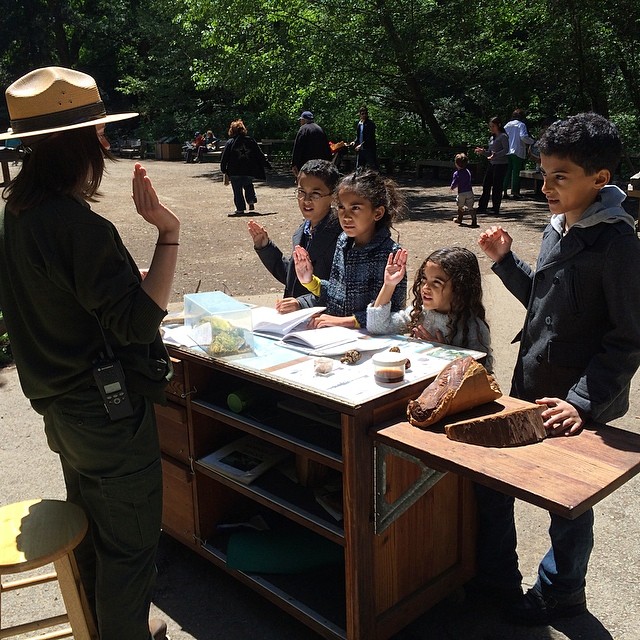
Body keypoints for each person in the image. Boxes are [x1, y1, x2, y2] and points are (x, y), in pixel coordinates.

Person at [0, 66, 180, 640]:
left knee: (92, 525)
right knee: (129, 545)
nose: (105, 141)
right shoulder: (78, 225)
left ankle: (103, 627)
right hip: (105, 413)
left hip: (58, 408)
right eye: (97, 130)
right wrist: (168, 231)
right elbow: (134, 323)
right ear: (78, 142)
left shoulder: (20, 212)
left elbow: (66, 299)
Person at [476, 112, 640, 626]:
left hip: (575, 403)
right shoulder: (558, 226)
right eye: (543, 173)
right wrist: (506, 261)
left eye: (559, 177)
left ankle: (561, 593)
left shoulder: (617, 245)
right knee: (495, 482)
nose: (544, 186)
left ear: (600, 179)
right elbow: (542, 302)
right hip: (531, 385)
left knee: (565, 507)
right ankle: (495, 579)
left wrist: (581, 402)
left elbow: (629, 338)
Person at [293, 170, 406, 328]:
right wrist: (310, 281)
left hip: (369, 342)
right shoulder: (343, 241)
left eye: (355, 208)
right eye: (341, 207)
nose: (346, 216)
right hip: (336, 336)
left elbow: (394, 314)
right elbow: (337, 293)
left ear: (378, 213)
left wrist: (346, 322)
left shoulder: (391, 254)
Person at [367, 246, 493, 371]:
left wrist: (442, 351)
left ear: (459, 289)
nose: (425, 288)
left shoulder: (473, 327)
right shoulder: (419, 313)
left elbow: (482, 373)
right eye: (424, 279)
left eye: (436, 283)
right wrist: (389, 285)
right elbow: (377, 327)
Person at [247, 159, 341, 312]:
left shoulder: (341, 235)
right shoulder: (303, 230)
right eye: (301, 192)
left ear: (333, 196)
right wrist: (265, 247)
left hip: (322, 320)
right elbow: (294, 277)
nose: (306, 200)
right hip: (295, 320)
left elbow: (341, 289)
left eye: (315, 194)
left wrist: (302, 303)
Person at [220, 119, 272, 216]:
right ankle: (251, 200)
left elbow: (225, 157)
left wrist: (223, 169)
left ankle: (240, 209)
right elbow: (259, 154)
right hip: (248, 169)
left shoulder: (230, 142)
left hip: (234, 171)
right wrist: (267, 165)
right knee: (248, 185)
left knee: (237, 190)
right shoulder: (250, 140)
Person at [475, 116, 509, 215]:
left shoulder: (503, 136)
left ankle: (495, 208)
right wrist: (483, 152)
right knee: (486, 185)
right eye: (490, 126)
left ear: (498, 125)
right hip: (492, 163)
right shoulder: (492, 138)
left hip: (501, 164)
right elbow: (490, 153)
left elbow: (506, 150)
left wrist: (496, 155)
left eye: (493, 126)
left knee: (497, 187)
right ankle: (482, 206)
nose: (491, 128)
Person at [503, 108, 535, 199]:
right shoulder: (521, 125)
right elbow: (523, 137)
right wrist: (532, 141)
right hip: (517, 151)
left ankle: (504, 191)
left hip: (507, 151)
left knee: (507, 172)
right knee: (516, 172)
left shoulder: (507, 125)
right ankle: (515, 192)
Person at [291, 111, 332, 177]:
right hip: (319, 163)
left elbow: (298, 147)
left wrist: (294, 164)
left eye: (301, 120)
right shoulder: (319, 129)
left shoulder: (303, 129)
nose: (300, 122)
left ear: (303, 120)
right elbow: (326, 147)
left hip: (306, 163)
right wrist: (329, 161)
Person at [450, 153, 475, 226]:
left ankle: (459, 218)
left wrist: (452, 187)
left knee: (460, 206)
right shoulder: (468, 172)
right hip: (469, 192)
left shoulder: (456, 173)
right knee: (470, 207)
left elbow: (455, 182)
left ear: (456, 164)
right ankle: (474, 219)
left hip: (461, 193)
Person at [350, 106, 378, 173]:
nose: (364, 115)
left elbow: (370, 137)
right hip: (361, 150)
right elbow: (358, 136)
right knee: (359, 168)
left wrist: (360, 145)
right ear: (360, 114)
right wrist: (354, 142)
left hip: (369, 149)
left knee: (373, 167)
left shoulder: (370, 124)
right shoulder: (359, 124)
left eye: (366, 113)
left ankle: (377, 181)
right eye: (362, 114)